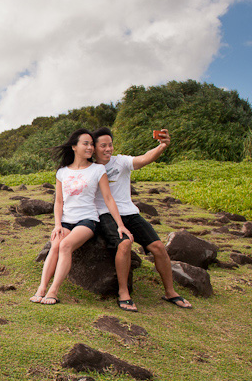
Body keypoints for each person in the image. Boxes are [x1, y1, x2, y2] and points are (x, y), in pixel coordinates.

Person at [91, 127, 192, 311]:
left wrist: (162, 146)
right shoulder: (90, 167)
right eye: (103, 146)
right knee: (124, 244)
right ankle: (123, 292)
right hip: (105, 214)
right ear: (94, 147)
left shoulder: (120, 162)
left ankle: (170, 292)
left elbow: (144, 158)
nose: (108, 149)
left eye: (110, 145)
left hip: (130, 213)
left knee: (159, 247)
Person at [31, 128, 133, 305]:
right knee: (55, 245)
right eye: (85, 143)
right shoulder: (62, 172)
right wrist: (57, 225)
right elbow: (59, 202)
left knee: (65, 245)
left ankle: (53, 291)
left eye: (91, 144)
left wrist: (120, 224)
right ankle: (41, 289)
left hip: (87, 220)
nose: (90, 147)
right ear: (74, 147)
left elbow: (108, 198)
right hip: (66, 220)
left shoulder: (97, 169)